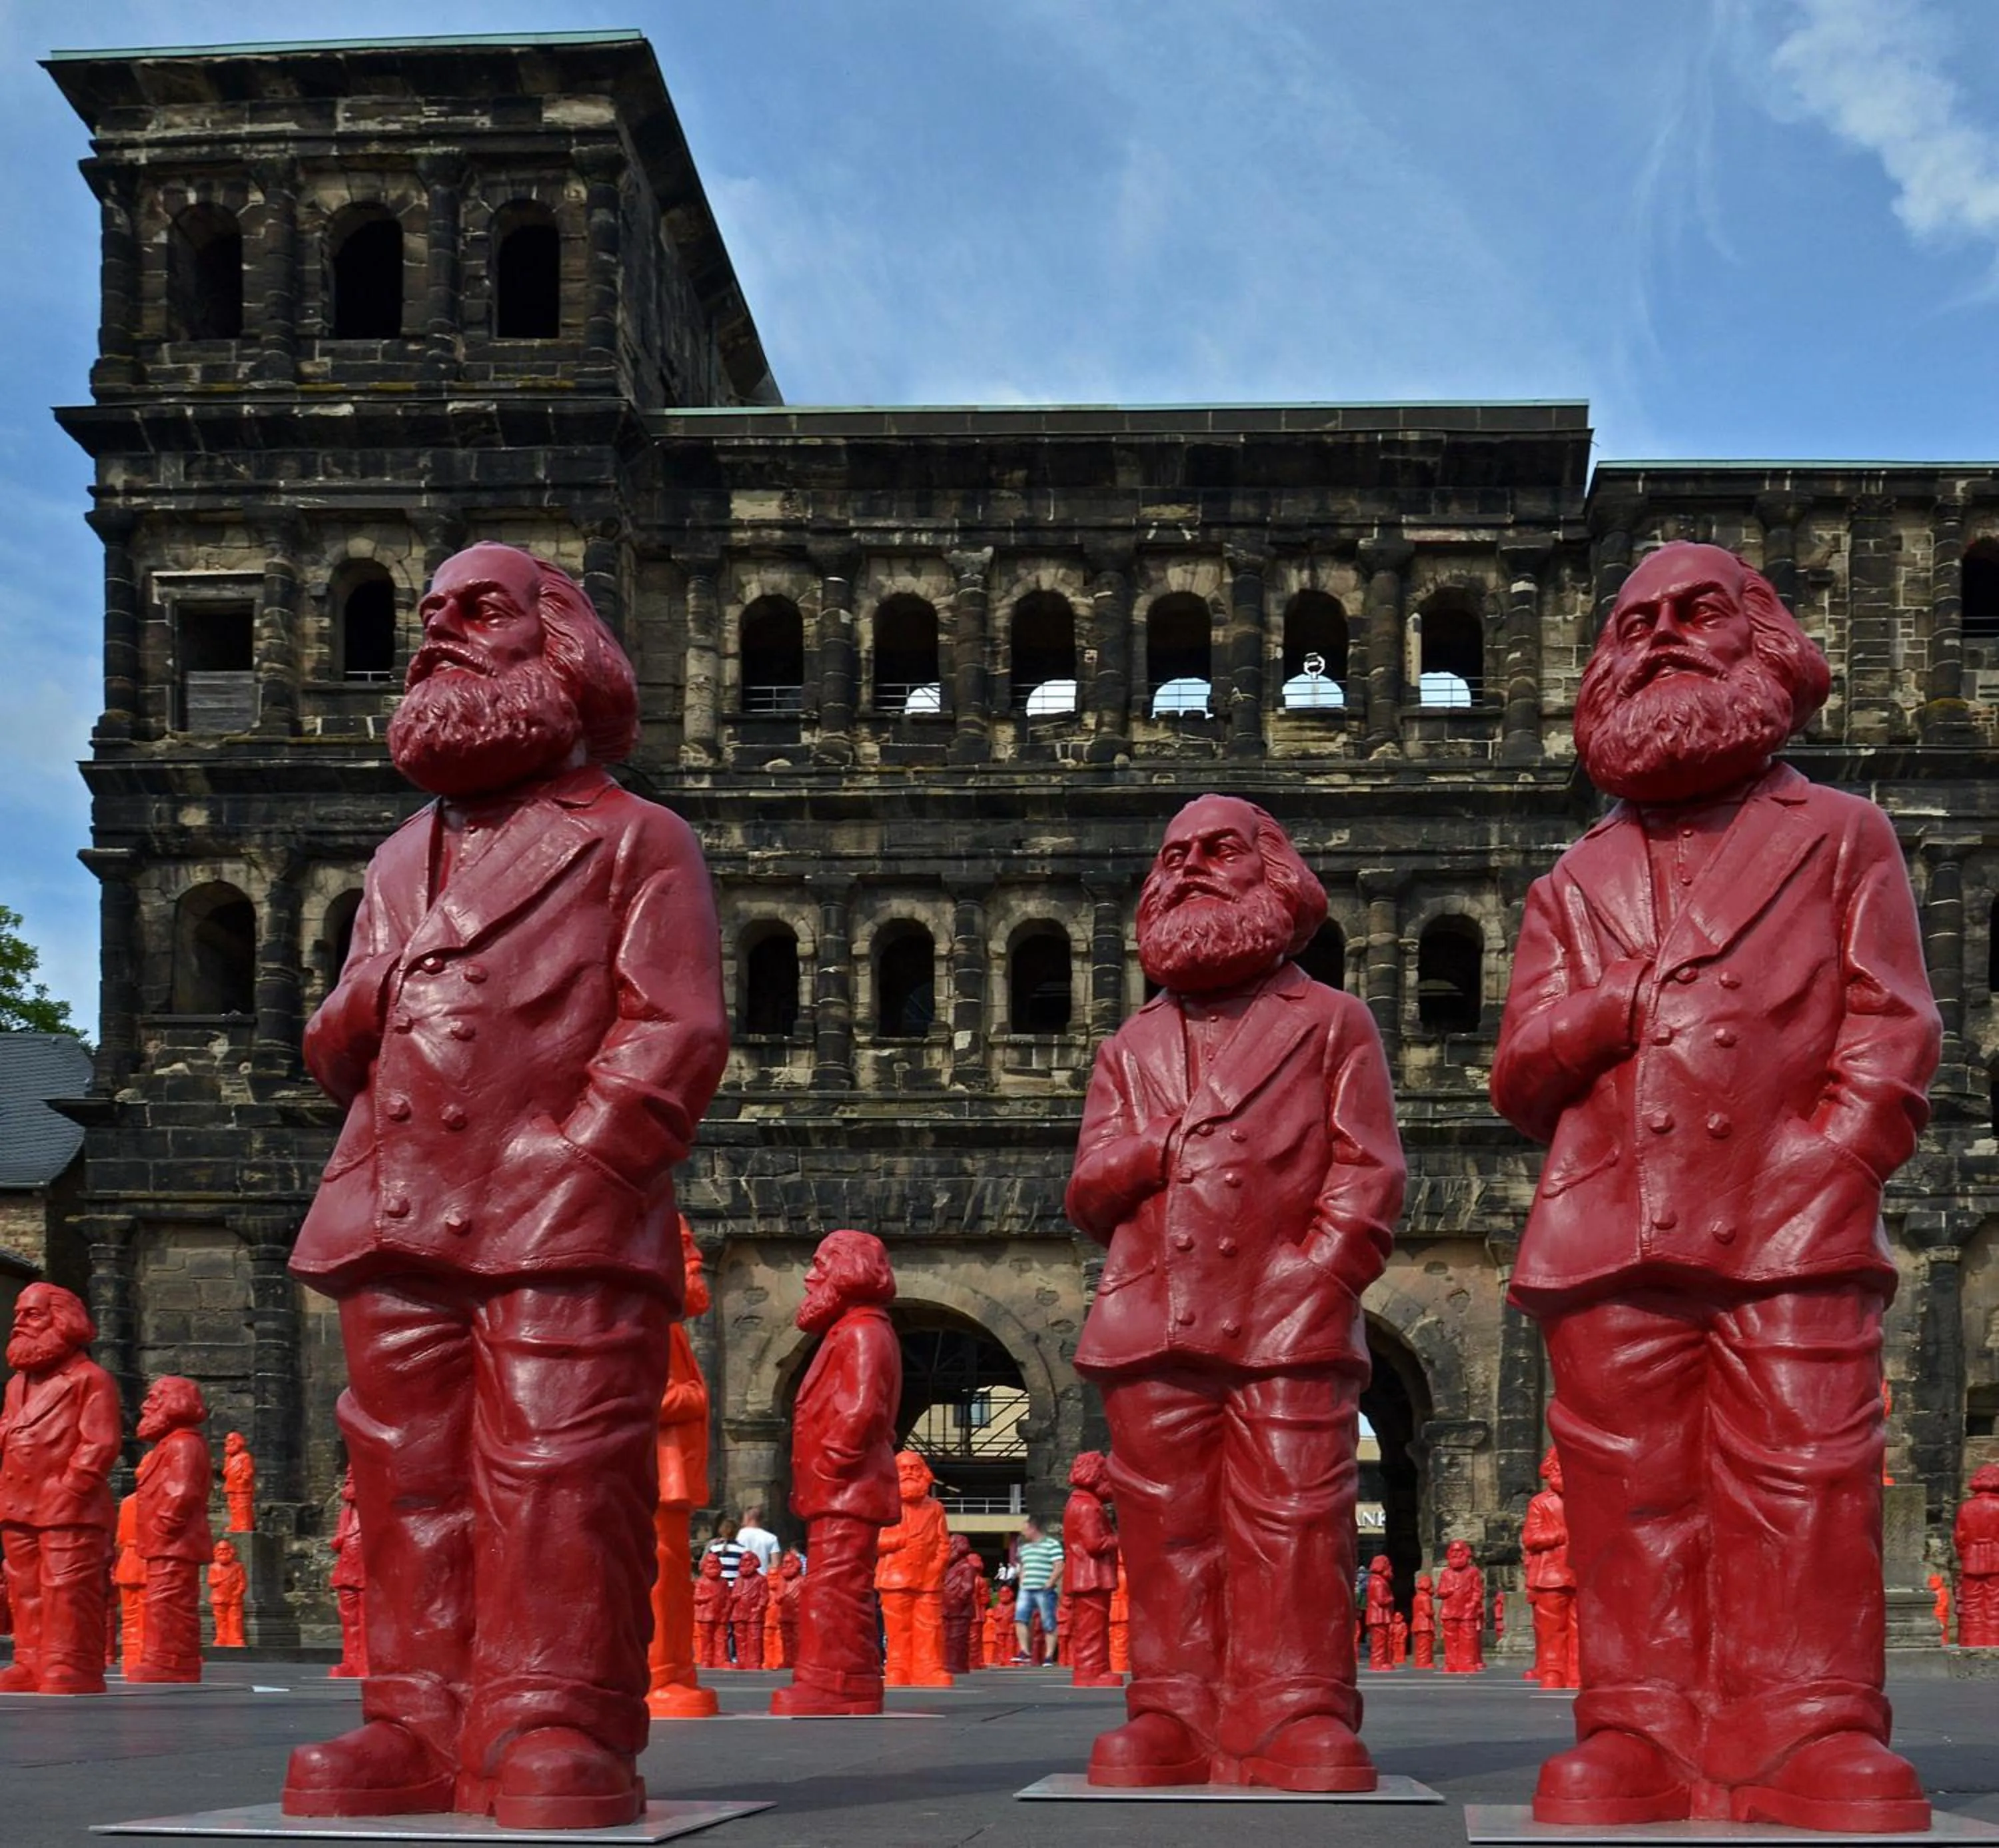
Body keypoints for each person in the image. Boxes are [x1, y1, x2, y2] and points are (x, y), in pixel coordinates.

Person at [1493, 542, 1940, 1832]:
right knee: (1629, 1488)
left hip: (1788, 1206)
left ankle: (1812, 1724)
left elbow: (1892, 1022)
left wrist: (1839, 1154)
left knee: (1805, 1472)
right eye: (1637, 622)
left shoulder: (1842, 833)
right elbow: (1521, 1071)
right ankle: (1636, 1724)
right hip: (1610, 1217)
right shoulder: (1571, 881)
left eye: (1700, 613)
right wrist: (1599, 1012)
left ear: (1765, 640)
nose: (1665, 638)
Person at [281, 544, 729, 1827]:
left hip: (556, 1213)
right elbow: (336, 1047)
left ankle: (554, 1717)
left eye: (479, 607)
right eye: (429, 612)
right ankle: (413, 1718)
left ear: (562, 641)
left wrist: (583, 1161)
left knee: (559, 1471)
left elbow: (676, 1031)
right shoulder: (394, 859)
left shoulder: (639, 839)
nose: (441, 628)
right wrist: (356, 1000)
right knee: (405, 1477)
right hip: (397, 1205)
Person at [1066, 795, 1403, 1789]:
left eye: (1220, 850)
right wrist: (1145, 1150)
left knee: (1295, 1520)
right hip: (1151, 1313)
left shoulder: (1333, 1021)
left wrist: (1321, 1273)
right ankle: (1170, 1709)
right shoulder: (1129, 1046)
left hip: (1285, 1309)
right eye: (1175, 856)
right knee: (1169, 1528)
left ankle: (1297, 1708)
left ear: (1274, 872)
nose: (1191, 869)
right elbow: (1088, 1187)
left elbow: (1369, 1169)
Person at [770, 1230, 902, 1716]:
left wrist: (832, 1460)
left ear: (849, 1270)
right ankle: (843, 1678)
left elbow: (865, 1408)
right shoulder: (853, 1329)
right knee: (836, 1584)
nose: (810, 1278)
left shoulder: (864, 1331)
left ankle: (837, 1684)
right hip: (840, 1487)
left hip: (846, 1485)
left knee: (836, 1587)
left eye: (821, 1266)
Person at [0, 1282, 119, 1693]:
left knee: (68, 1586)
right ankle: (29, 1660)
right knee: (24, 1587)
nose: (19, 1323)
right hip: (17, 1502)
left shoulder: (90, 1378)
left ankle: (70, 1662)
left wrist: (72, 1486)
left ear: (61, 1320)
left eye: (31, 1314)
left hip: (66, 1504)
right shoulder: (17, 1384)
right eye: (18, 1314)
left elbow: (100, 1442)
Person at [649, 1219, 718, 1717]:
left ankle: (674, 1669)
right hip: (658, 1470)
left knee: (671, 1576)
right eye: (690, 1258)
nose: (698, 1269)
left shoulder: (667, 1325)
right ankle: (660, 1674)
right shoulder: (652, 1323)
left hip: (671, 1472)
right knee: (659, 1575)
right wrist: (696, 1396)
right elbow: (646, 1394)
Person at [133, 1376, 214, 1684]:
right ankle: (166, 1658)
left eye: (154, 1399)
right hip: (165, 1541)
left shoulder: (183, 1444)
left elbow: (183, 1491)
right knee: (164, 1601)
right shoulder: (174, 1443)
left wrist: (163, 1525)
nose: (145, 1405)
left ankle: (171, 1661)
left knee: (169, 1601)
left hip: (174, 1541)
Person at [1013, 1516, 1063, 1666]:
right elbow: (1022, 1566)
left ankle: (1048, 1656)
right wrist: (1021, 1581)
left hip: (1044, 1588)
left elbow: (1059, 1564)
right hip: (1026, 1588)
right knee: (1020, 1619)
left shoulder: (1052, 1544)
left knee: (1048, 1622)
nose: (1023, 1532)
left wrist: (1050, 1582)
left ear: (1033, 1528)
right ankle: (1025, 1652)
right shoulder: (1024, 1548)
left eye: (1025, 1528)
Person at [736, 1505, 780, 1576]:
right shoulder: (772, 1538)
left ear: (748, 1518)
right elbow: (776, 1564)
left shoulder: (740, 1535)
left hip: (743, 1577)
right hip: (763, 1579)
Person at [702, 1519, 746, 1586]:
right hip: (736, 1586)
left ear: (721, 1530)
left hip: (719, 1587)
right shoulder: (742, 1550)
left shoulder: (714, 1549)